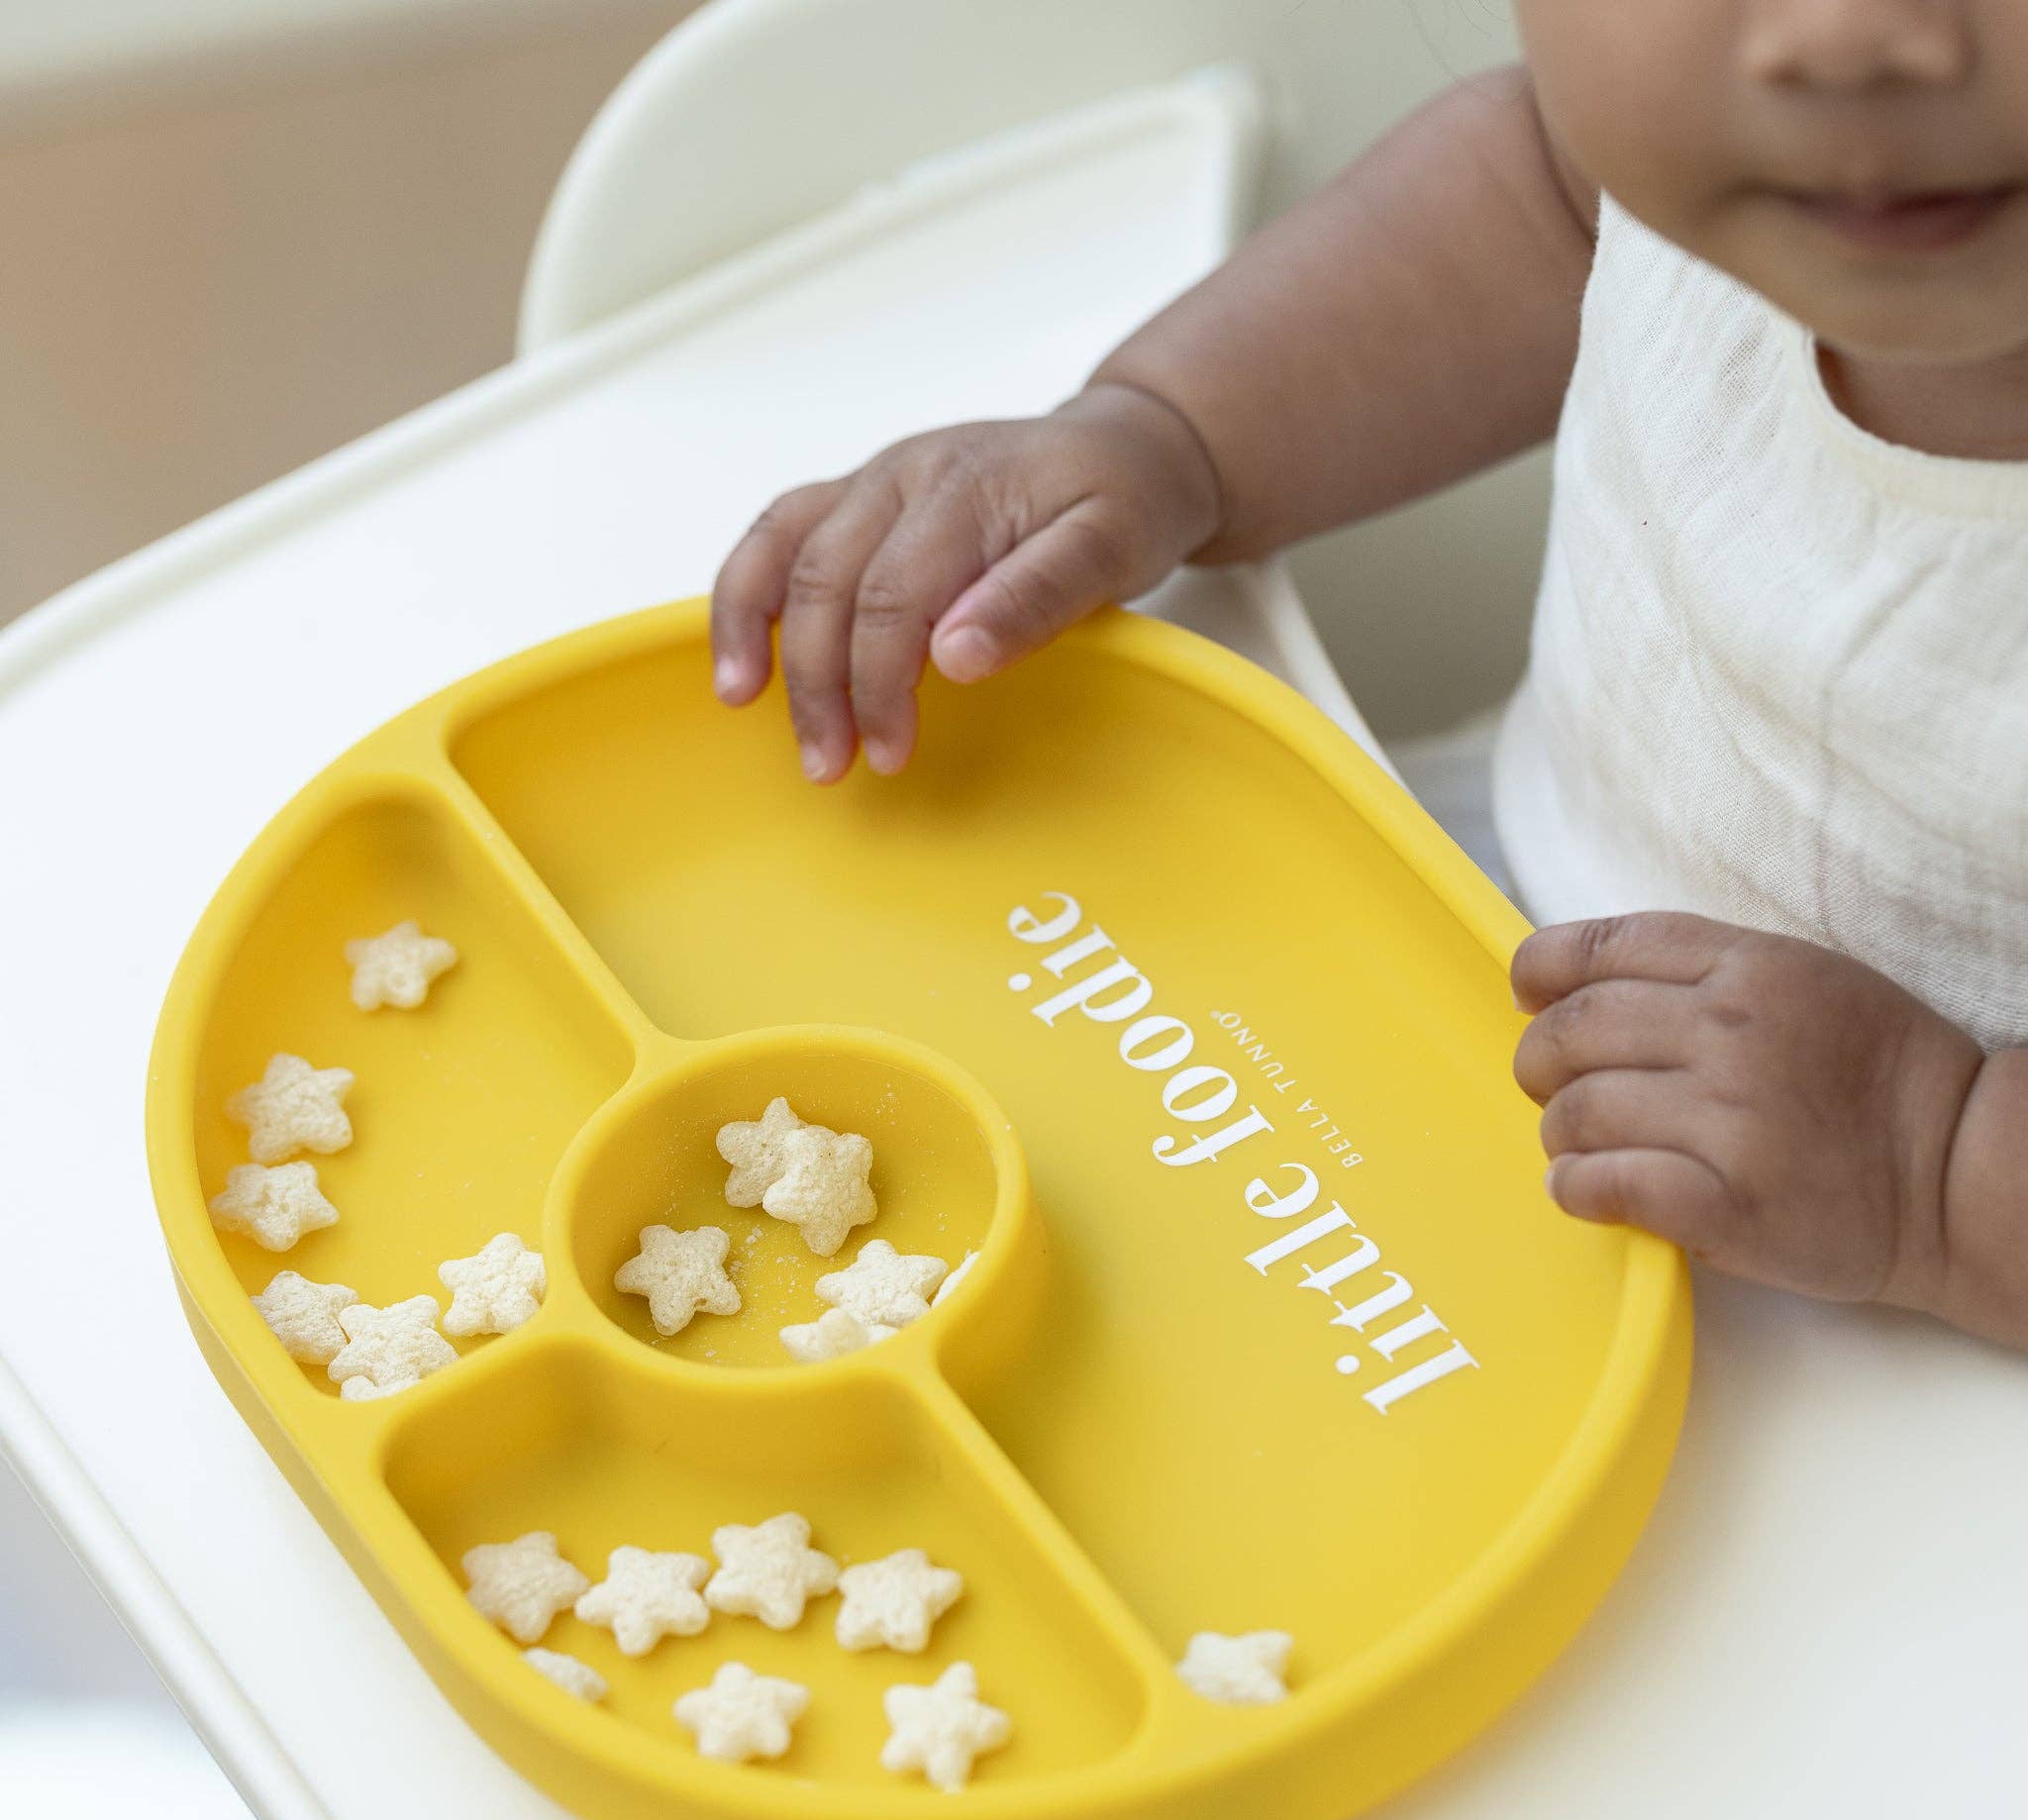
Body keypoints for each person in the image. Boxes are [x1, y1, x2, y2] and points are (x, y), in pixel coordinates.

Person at [709, 2, 2028, 1350]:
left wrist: (1936, 1162)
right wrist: (1163, 433)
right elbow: (1538, 198)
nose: (1857, 38)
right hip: (1483, 952)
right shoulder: (1711, 185)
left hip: (1931, 1312)